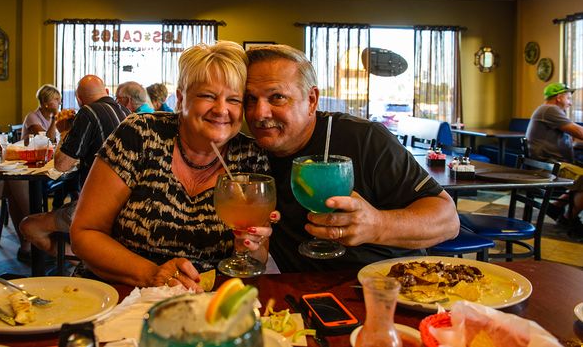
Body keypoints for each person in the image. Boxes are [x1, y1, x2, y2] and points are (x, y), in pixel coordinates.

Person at [70, 41, 272, 289]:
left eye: (234, 99)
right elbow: (85, 232)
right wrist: (153, 275)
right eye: (208, 96)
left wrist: (251, 248)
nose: (221, 110)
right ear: (180, 98)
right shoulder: (140, 134)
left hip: (204, 303)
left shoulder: (251, 157)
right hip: (117, 295)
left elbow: (257, 258)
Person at [243, 45, 460, 272]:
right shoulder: (248, 155)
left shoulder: (364, 138)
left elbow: (447, 220)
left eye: (277, 97)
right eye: (250, 98)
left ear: (311, 100)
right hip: (304, 293)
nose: (259, 113)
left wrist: (377, 225)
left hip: (389, 286)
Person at [19, 75, 130, 255]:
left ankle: (82, 264)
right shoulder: (126, 113)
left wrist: (65, 132)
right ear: (107, 92)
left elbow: (61, 165)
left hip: (99, 209)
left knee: (29, 226)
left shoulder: (87, 112)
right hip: (126, 205)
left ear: (79, 99)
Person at [526, 82, 583, 237]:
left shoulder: (549, 111)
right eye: (569, 98)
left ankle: (557, 206)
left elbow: (571, 139)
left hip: (550, 163)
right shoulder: (550, 109)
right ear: (559, 97)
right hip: (549, 166)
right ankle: (567, 217)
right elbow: (578, 131)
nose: (571, 103)